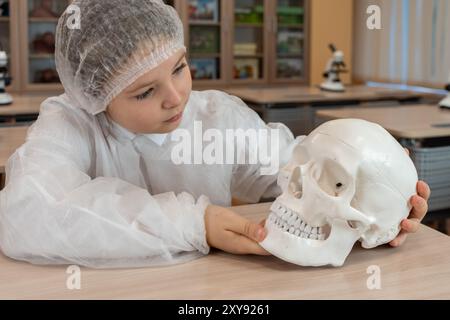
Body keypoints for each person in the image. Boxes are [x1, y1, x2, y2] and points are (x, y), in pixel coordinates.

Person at [0, 0, 430, 269]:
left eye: (180, 68)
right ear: (94, 94)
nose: (176, 98)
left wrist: (375, 200)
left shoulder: (216, 116)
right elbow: (30, 213)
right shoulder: (71, 122)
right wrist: (194, 223)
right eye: (145, 91)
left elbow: (293, 168)